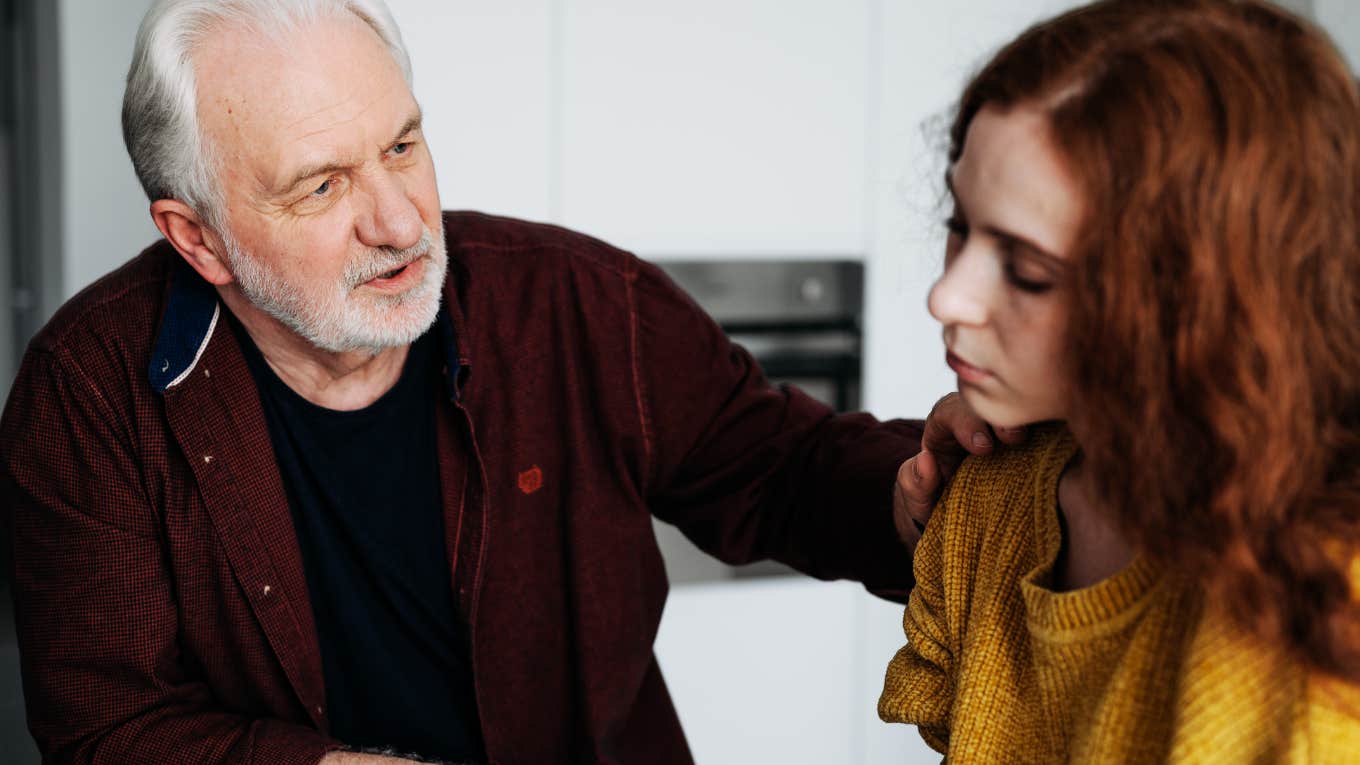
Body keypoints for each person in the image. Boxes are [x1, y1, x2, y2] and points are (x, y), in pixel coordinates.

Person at [0, 1, 1003, 763]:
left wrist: (911, 493)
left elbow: (777, 468)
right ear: (198, 239)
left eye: (402, 144)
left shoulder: (575, 301)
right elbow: (109, 726)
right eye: (322, 185)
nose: (400, 221)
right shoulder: (85, 398)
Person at [878, 0, 1360, 761]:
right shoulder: (987, 495)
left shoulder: (1325, 613)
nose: (947, 297)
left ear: (1198, 301)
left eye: (1030, 272)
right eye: (961, 223)